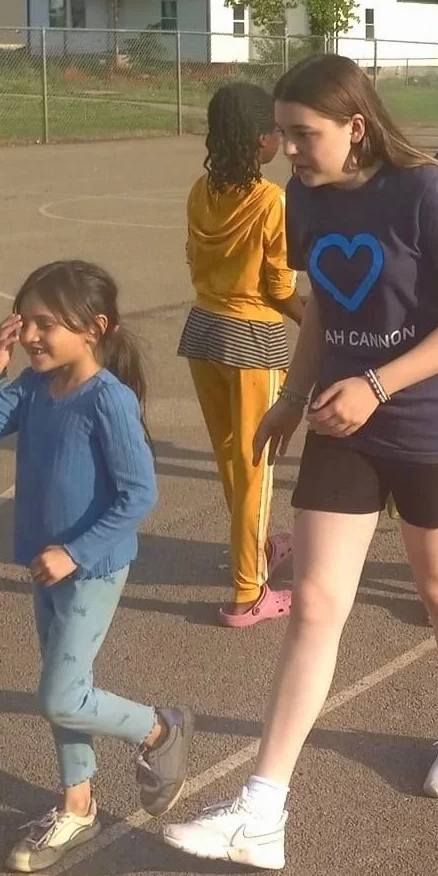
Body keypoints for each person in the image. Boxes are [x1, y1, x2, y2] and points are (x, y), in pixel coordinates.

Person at [162, 54, 438, 872]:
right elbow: (322, 308)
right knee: (314, 603)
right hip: (342, 421)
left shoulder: (428, 191)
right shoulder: (302, 197)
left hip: (429, 422)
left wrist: (377, 384)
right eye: (279, 133)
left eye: (302, 133)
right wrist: (291, 394)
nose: (286, 149)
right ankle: (262, 809)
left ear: (356, 126)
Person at [0, 260, 192, 872]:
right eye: (25, 320)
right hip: (44, 563)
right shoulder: (33, 386)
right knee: (66, 687)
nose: (31, 335)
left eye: (46, 324)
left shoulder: (108, 400)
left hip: (92, 567)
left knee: (60, 696)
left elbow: (140, 495)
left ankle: (160, 731)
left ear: (94, 328)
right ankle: (77, 806)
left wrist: (75, 551)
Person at [179, 81, 304, 626]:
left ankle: (254, 555)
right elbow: (279, 288)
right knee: (257, 466)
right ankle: (249, 592)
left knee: (232, 459)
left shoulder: (200, 191)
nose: (283, 139)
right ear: (260, 140)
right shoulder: (271, 200)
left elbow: (193, 260)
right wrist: (316, 320)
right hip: (252, 338)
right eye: (277, 131)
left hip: (204, 331)